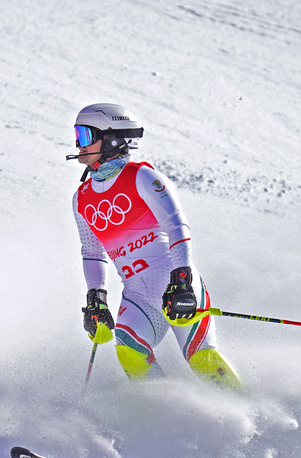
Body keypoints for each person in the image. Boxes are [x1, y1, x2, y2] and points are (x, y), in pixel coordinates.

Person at [69, 103, 243, 390]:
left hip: (173, 281)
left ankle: (250, 411)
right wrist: (96, 296)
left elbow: (177, 227)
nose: (78, 144)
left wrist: (182, 279)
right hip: (137, 293)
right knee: (129, 352)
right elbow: (92, 251)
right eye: (77, 135)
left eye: (86, 135)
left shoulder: (142, 177)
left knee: (201, 357)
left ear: (113, 139)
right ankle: (173, 417)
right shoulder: (82, 198)